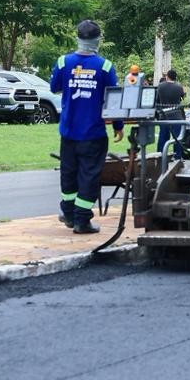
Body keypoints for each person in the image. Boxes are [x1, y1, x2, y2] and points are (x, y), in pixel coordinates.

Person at [50, 19, 123, 234]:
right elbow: (113, 101)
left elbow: (54, 87)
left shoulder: (63, 62)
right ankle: (81, 221)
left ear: (78, 38)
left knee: (68, 174)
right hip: (93, 133)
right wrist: (118, 126)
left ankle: (69, 214)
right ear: (98, 40)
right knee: (89, 176)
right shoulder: (105, 66)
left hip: (69, 132)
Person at [154, 68, 186, 160]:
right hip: (176, 116)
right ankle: (177, 157)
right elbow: (181, 98)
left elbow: (157, 100)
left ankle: (160, 156)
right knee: (177, 138)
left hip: (164, 115)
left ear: (167, 76)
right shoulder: (179, 87)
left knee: (163, 137)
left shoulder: (160, 86)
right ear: (175, 77)